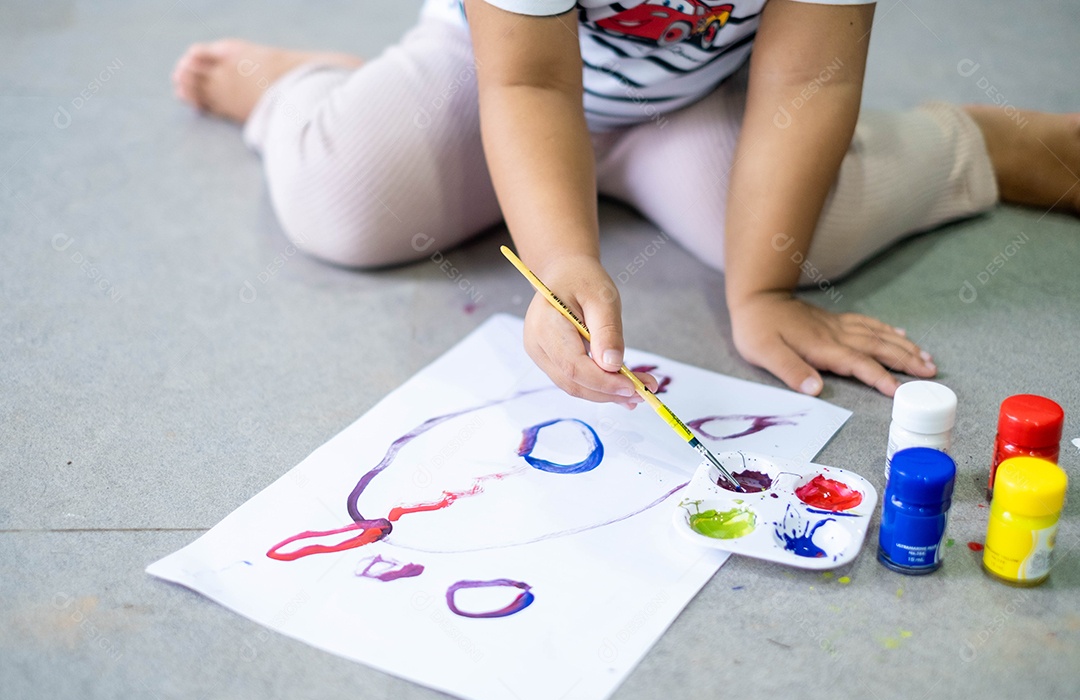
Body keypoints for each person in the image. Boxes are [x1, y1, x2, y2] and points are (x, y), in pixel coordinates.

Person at [172, 0, 1079, 406]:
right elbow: (527, 86)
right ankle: (295, 87)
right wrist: (563, 260)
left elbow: (808, 77)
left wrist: (761, 292)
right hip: (494, 76)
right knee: (344, 197)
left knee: (813, 238)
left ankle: (979, 143)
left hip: (699, 101)